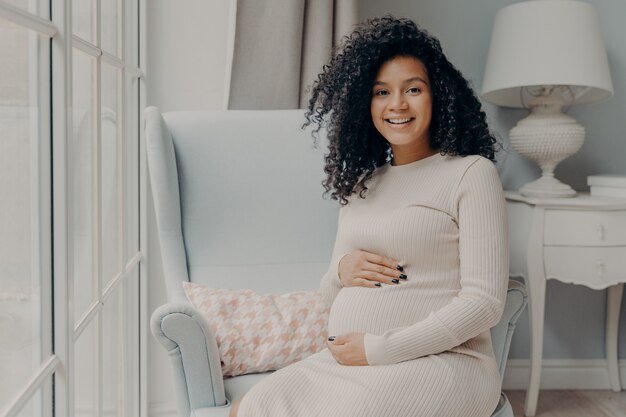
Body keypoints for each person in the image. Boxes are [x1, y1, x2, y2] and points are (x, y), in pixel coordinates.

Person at [230, 15, 508, 417]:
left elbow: (484, 303)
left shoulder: (470, 173)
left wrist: (381, 348)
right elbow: (330, 293)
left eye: (413, 89)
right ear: (366, 103)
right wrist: (341, 271)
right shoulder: (362, 186)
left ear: (439, 96)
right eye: (382, 92)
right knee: (250, 406)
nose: (397, 104)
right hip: (350, 360)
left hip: (443, 361)